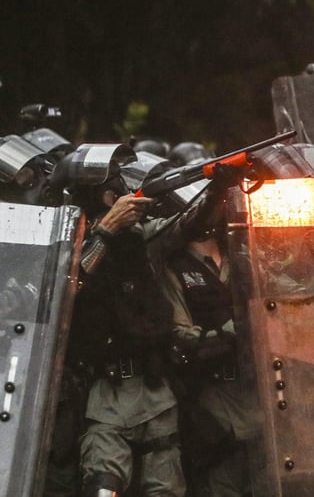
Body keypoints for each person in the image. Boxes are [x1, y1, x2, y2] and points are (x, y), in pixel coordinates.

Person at [51, 143, 242, 497]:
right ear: (100, 194)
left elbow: (186, 225)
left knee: (165, 487)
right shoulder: (66, 242)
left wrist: (217, 188)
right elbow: (69, 286)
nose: (123, 189)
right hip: (104, 393)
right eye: (115, 184)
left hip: (156, 389)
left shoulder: (141, 237)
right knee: (103, 486)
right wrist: (107, 228)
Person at [162, 215, 258, 496]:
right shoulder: (175, 268)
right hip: (214, 406)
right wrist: (229, 333)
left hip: (259, 394)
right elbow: (179, 335)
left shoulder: (245, 258)